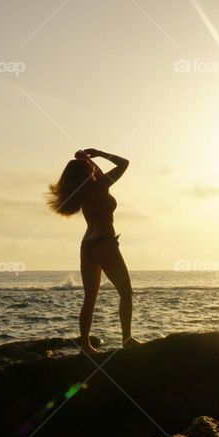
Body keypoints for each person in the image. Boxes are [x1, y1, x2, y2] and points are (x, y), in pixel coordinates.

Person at [46, 148, 141, 352]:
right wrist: (98, 153)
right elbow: (124, 163)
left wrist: (88, 160)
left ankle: (85, 345)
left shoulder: (82, 191)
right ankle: (127, 339)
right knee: (126, 293)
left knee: (90, 298)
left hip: (87, 245)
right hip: (105, 242)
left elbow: (95, 173)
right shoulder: (100, 186)